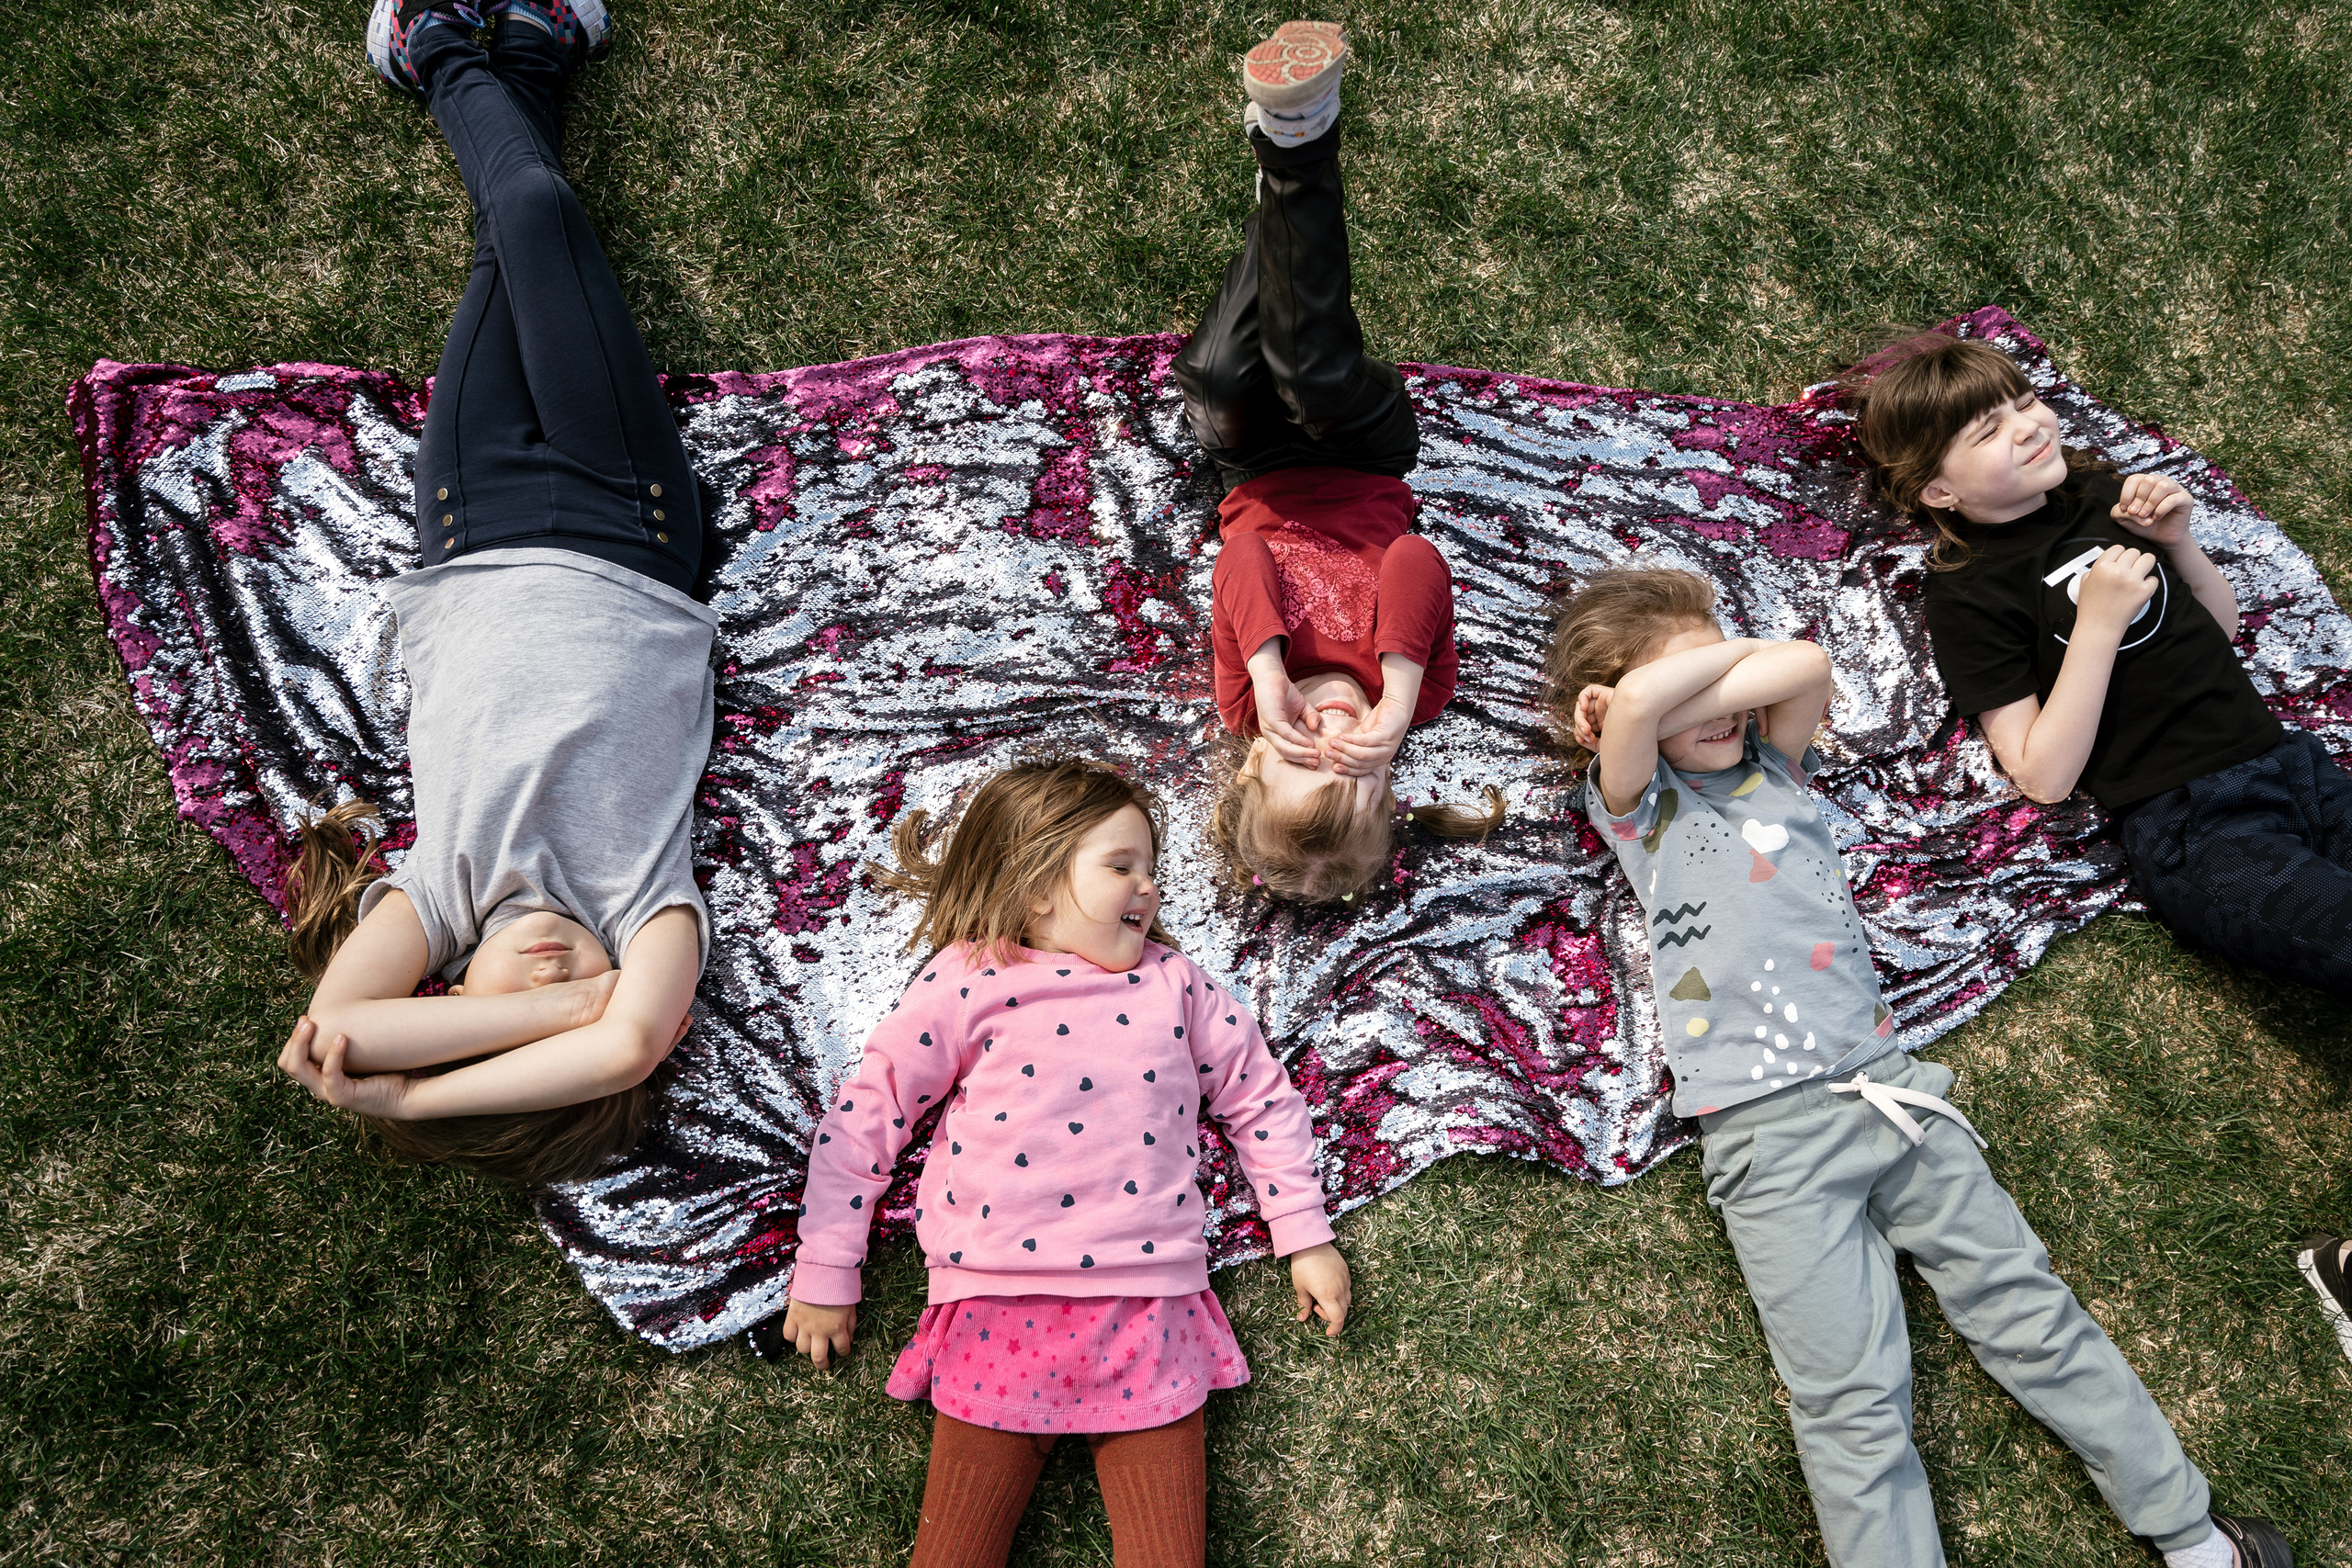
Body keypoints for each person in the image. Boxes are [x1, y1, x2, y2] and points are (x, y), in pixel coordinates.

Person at [1545, 566, 2291, 1568]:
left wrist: (1680, 685)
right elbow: (1640, 709)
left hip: (1891, 1088)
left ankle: (2194, 1540)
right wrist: (1644, 702)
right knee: (1848, 1401)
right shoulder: (1641, 809)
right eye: (1686, 694)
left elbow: (1801, 664)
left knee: (2032, 1314)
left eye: (1718, 674)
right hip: (1766, 1144)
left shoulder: (1778, 764)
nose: (1717, 708)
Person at [271, 0, 708, 1186]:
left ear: (456, 988)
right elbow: (630, 1036)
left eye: (531, 1003)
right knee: (534, 218)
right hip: (635, 521)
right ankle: (490, 51)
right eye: (580, 1006)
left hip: (474, 518)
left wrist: (414, 1087)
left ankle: (476, 46)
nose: (567, 980)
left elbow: (336, 1032)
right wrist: (576, 1023)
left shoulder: (443, 885)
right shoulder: (642, 900)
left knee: (511, 246)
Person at [772, 758, 1351, 1568]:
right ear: (1038, 883)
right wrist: (827, 1263)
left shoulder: (1176, 984)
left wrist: (1303, 1230)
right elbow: (870, 1114)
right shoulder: (970, 978)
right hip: (995, 1300)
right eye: (1121, 866)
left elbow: (1259, 1096)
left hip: (1149, 1306)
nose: (1147, 888)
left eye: (1151, 869)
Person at [1849, 331, 2352, 995]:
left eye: (2026, 401)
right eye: (1990, 431)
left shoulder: (2096, 496)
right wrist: (2097, 624)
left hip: (2294, 764)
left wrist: (2179, 543)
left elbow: (2218, 632)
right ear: (1939, 490)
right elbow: (2042, 773)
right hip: (2199, 827)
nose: (2030, 427)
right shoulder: (1967, 592)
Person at [1181, 22, 1500, 904]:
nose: (1330, 739)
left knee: (1212, 378)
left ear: (1253, 765)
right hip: (1367, 457)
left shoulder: (1249, 701)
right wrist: (1395, 698)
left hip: (1251, 473)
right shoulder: (1417, 697)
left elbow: (1239, 560)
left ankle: (1284, 206)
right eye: (1353, 773)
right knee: (1313, 374)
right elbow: (1413, 561)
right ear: (1387, 781)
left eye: (1300, 762)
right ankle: (1298, 141)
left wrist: (1268, 669)